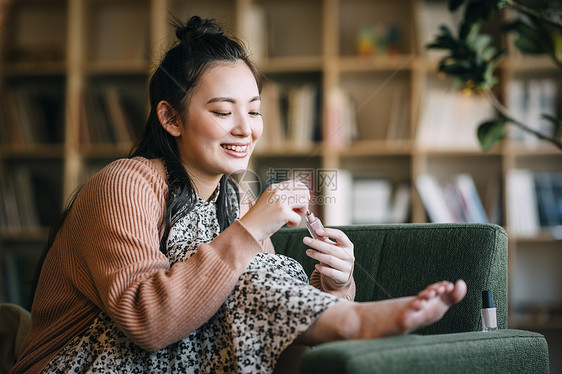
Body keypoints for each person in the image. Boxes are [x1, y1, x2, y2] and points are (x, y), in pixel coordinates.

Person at [11, 16, 467, 374]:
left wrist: (334, 286)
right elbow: (147, 322)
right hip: (82, 363)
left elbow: (264, 319)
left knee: (239, 269)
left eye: (254, 110)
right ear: (170, 118)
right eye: (222, 111)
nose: (245, 128)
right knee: (228, 264)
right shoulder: (125, 182)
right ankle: (355, 323)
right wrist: (249, 231)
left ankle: (350, 316)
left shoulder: (235, 201)